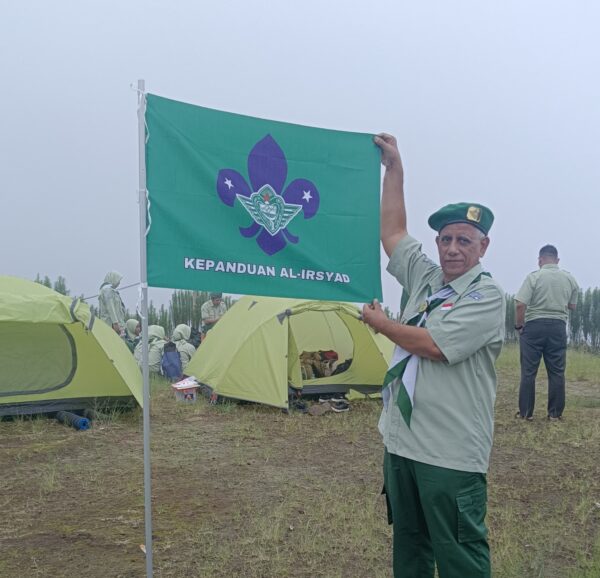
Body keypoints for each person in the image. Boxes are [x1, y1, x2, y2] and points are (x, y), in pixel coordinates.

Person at [361, 133, 505, 578]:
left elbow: (434, 345)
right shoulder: (426, 279)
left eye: (464, 240)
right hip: (402, 443)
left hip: (449, 454)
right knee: (410, 548)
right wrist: (394, 170)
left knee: (460, 557)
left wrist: (381, 323)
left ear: (483, 247)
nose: (453, 248)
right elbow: (393, 233)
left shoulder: (486, 296)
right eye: (446, 239)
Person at [514, 245, 579, 421]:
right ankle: (555, 414)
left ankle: (526, 413)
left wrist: (519, 326)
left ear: (540, 260)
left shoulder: (534, 277)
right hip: (558, 326)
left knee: (529, 372)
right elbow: (572, 306)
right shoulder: (569, 278)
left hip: (534, 326)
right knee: (557, 371)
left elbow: (520, 304)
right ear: (557, 260)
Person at [98, 271, 127, 335]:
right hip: (110, 325)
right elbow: (110, 307)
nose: (119, 283)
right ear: (113, 279)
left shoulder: (113, 291)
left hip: (118, 325)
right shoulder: (106, 290)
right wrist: (115, 323)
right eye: (118, 280)